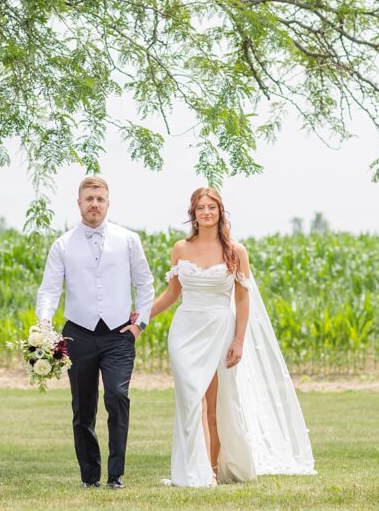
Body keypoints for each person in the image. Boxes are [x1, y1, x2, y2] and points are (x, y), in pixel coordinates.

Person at [150, 187, 316, 487]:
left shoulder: (236, 251)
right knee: (190, 399)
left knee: (215, 404)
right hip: (185, 329)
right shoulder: (180, 249)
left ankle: (211, 469)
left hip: (220, 329)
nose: (206, 212)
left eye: (211, 207)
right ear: (193, 213)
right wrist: (139, 317)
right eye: (200, 207)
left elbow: (241, 299)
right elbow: (172, 294)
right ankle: (192, 470)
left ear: (220, 211)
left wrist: (239, 340)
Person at [35, 176, 155, 489]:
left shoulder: (129, 239)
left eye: (100, 199)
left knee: (117, 396)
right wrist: (44, 325)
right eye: (89, 199)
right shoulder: (62, 244)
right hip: (78, 334)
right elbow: (49, 289)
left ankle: (115, 476)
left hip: (119, 334)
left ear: (108, 202)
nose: (94, 204)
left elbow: (145, 284)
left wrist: (139, 324)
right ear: (79, 203)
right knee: (83, 408)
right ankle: (90, 477)